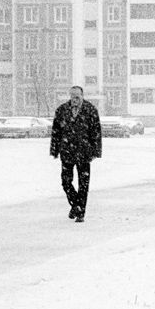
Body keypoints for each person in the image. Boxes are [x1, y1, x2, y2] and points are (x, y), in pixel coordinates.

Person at [50, 85, 102, 222]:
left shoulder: (90, 110)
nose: (75, 99)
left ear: (82, 96)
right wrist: (54, 150)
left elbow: (96, 132)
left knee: (83, 184)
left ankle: (80, 213)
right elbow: (56, 132)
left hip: (85, 153)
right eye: (72, 96)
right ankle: (75, 204)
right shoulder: (62, 110)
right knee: (65, 182)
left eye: (77, 96)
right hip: (67, 151)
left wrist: (96, 151)